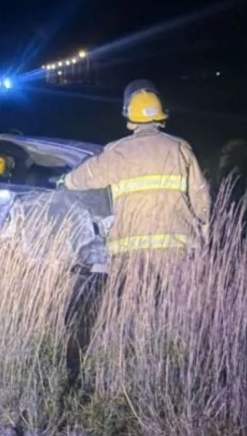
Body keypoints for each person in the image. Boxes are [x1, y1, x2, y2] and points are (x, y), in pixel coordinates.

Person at [60, 79, 211, 387]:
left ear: (128, 114)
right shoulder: (180, 149)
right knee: (175, 317)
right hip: (177, 249)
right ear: (161, 113)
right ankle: (174, 379)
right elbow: (202, 200)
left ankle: (132, 378)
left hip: (131, 253)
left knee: (133, 317)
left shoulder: (118, 152)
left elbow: (82, 178)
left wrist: (64, 181)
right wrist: (203, 238)